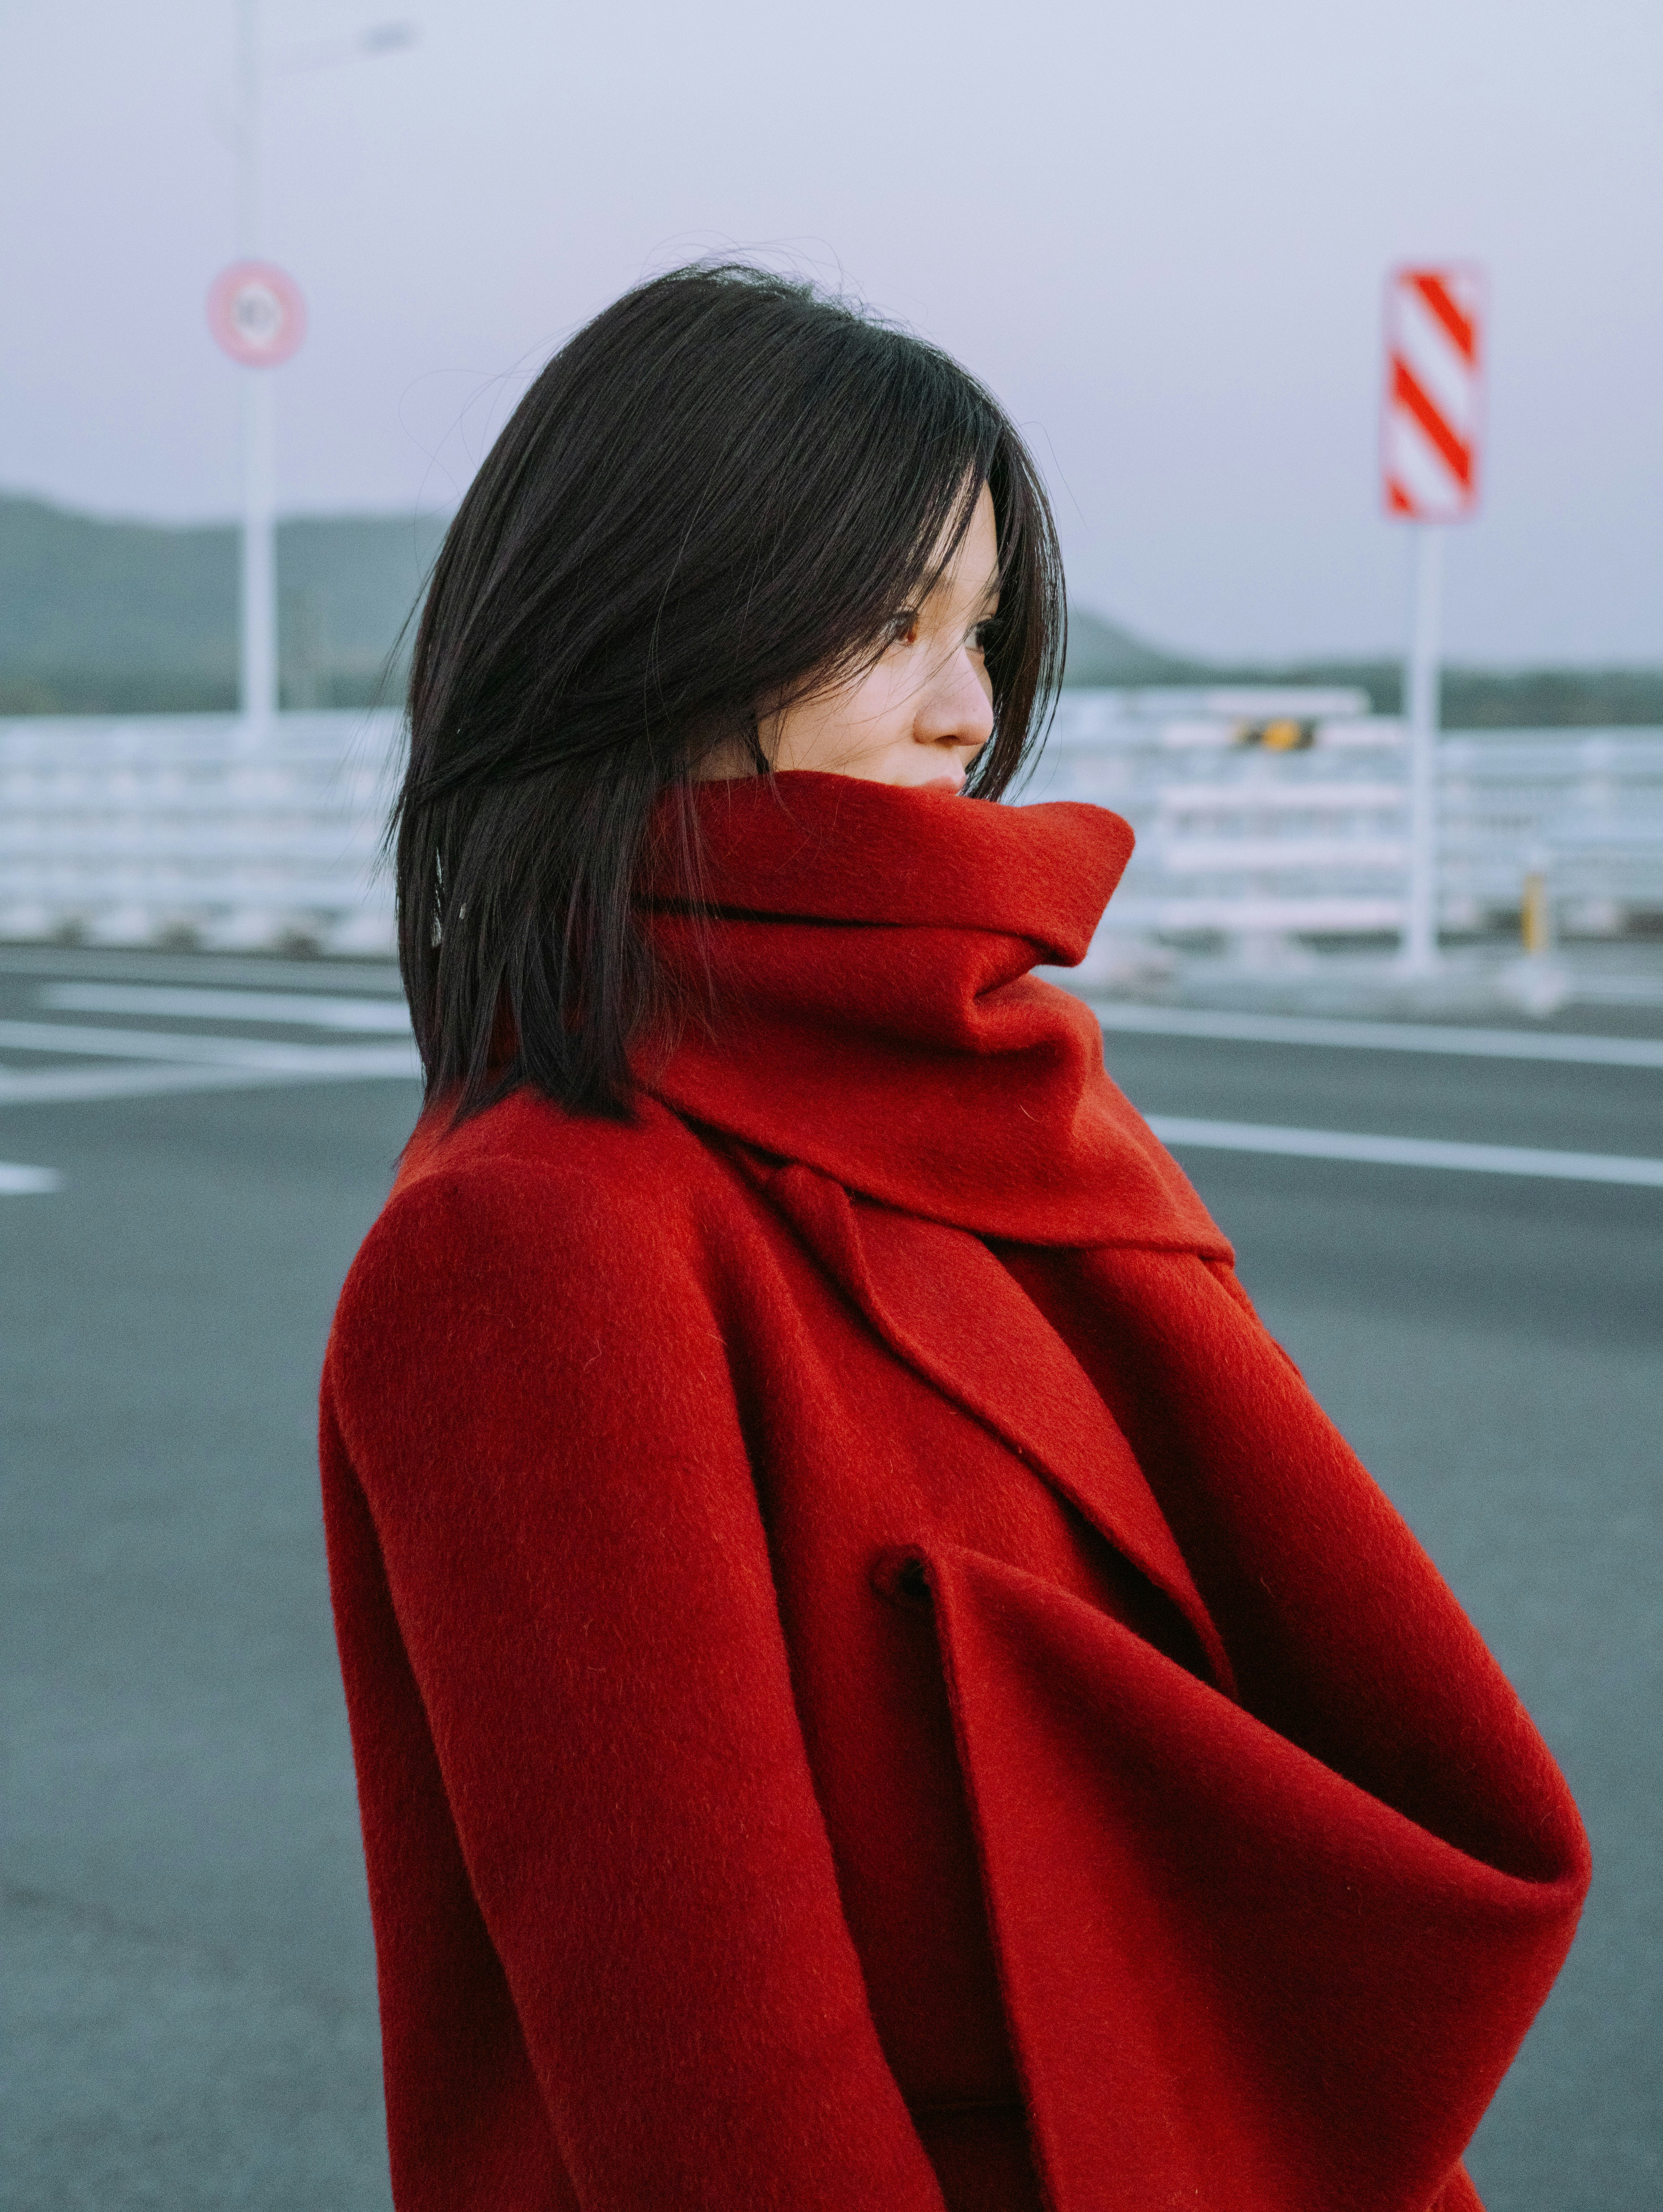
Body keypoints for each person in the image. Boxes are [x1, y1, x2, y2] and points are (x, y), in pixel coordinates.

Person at [320, 264, 1588, 2212]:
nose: (967, 712)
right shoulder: (536, 1241)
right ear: (648, 631)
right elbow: (718, 2096)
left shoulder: (999, 1100)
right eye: (888, 622)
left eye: (978, 628)